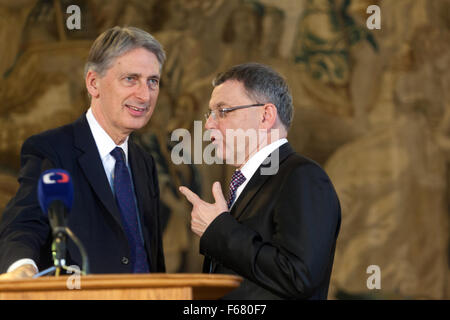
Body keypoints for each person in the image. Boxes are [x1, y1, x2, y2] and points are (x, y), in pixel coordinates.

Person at [0, 26, 166, 279]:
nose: (144, 95)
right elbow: (23, 223)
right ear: (93, 83)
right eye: (130, 79)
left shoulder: (145, 162)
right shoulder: (51, 149)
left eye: (152, 81)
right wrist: (22, 268)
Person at [179, 63, 341, 299]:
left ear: (266, 116)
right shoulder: (249, 181)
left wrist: (219, 230)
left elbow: (299, 276)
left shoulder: (302, 176)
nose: (209, 124)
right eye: (210, 113)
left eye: (223, 111)